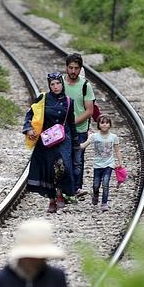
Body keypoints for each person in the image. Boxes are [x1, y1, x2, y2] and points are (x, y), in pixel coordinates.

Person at [22, 72, 78, 213]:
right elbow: (30, 114)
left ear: (62, 84)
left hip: (63, 139)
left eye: (58, 83)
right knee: (48, 169)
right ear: (49, 85)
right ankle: (52, 199)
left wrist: (76, 143)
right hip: (46, 139)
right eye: (52, 84)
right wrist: (28, 129)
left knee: (63, 165)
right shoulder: (43, 98)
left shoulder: (69, 101)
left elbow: (71, 123)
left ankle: (60, 193)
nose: (55, 86)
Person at [63, 53, 96, 198]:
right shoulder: (60, 83)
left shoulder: (85, 86)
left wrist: (73, 121)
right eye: (70, 68)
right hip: (62, 130)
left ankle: (76, 188)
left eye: (76, 68)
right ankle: (65, 189)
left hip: (80, 129)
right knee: (64, 159)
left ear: (80, 69)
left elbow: (89, 111)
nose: (73, 71)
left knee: (77, 160)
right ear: (66, 68)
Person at [80, 115, 123, 211]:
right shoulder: (94, 136)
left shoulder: (113, 137)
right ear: (99, 124)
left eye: (107, 123)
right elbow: (84, 145)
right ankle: (95, 194)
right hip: (97, 165)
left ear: (110, 125)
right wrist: (75, 144)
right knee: (96, 184)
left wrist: (120, 162)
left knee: (106, 183)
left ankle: (104, 203)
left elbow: (117, 150)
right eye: (102, 123)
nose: (104, 125)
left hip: (109, 164)